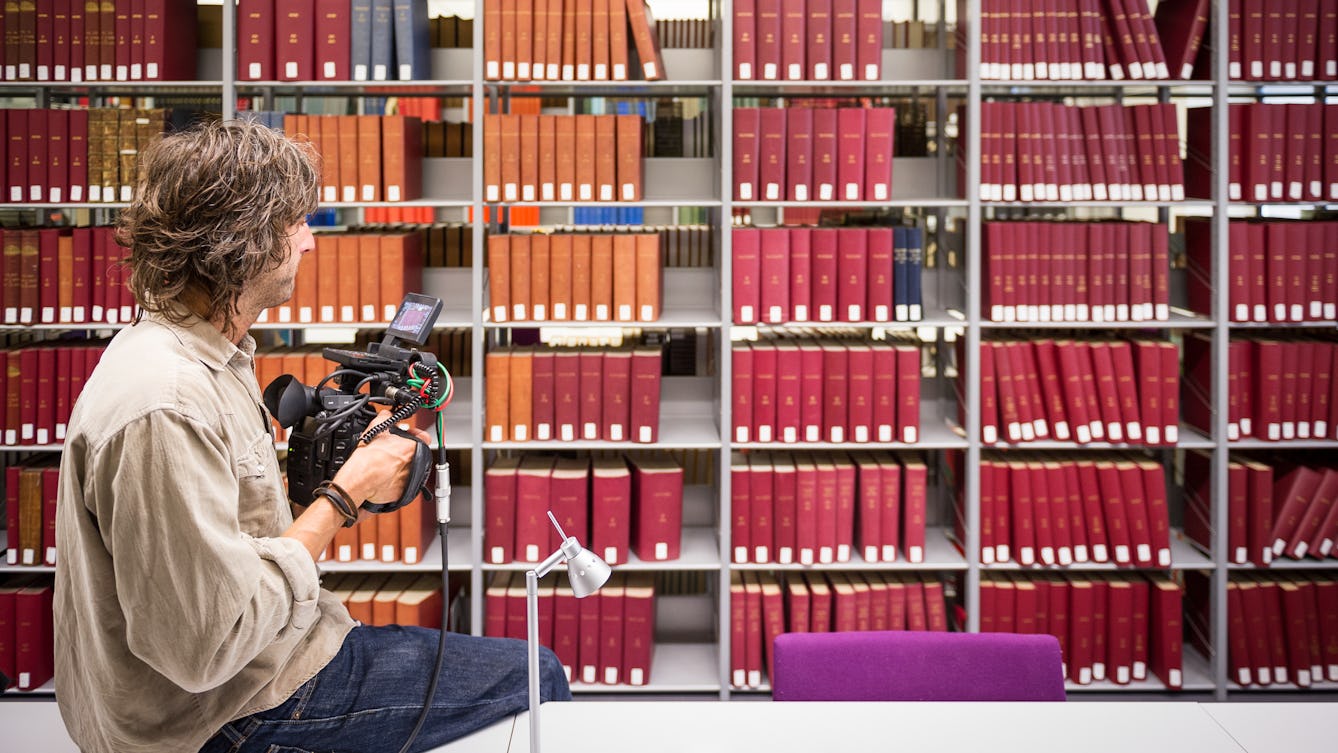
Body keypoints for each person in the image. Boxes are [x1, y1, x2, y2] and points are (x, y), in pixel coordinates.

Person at [53, 118, 570, 753]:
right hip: (227, 714)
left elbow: (226, 540)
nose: (310, 244)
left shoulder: (203, 353)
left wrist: (344, 464)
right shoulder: (168, 404)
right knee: (537, 673)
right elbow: (203, 649)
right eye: (295, 224)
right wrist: (344, 496)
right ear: (243, 240)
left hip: (264, 660)